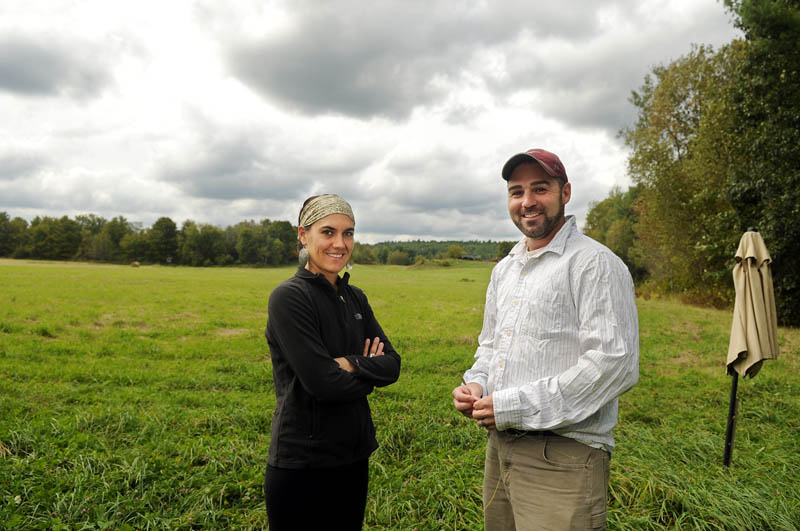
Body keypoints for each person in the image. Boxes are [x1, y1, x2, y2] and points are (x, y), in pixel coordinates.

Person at [452, 148, 639, 530]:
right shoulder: (505, 269)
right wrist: (476, 383)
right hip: (501, 447)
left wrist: (512, 406)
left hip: (564, 455)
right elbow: (490, 346)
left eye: (540, 189)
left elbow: (614, 365)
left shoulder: (594, 263)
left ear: (565, 193)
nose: (527, 202)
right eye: (516, 191)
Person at [264, 194, 401, 530]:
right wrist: (368, 368)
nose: (340, 244)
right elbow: (322, 383)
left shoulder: (355, 297)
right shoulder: (289, 298)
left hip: (353, 456)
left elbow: (393, 364)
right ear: (303, 234)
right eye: (328, 232)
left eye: (348, 233)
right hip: (302, 462)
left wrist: (349, 364)